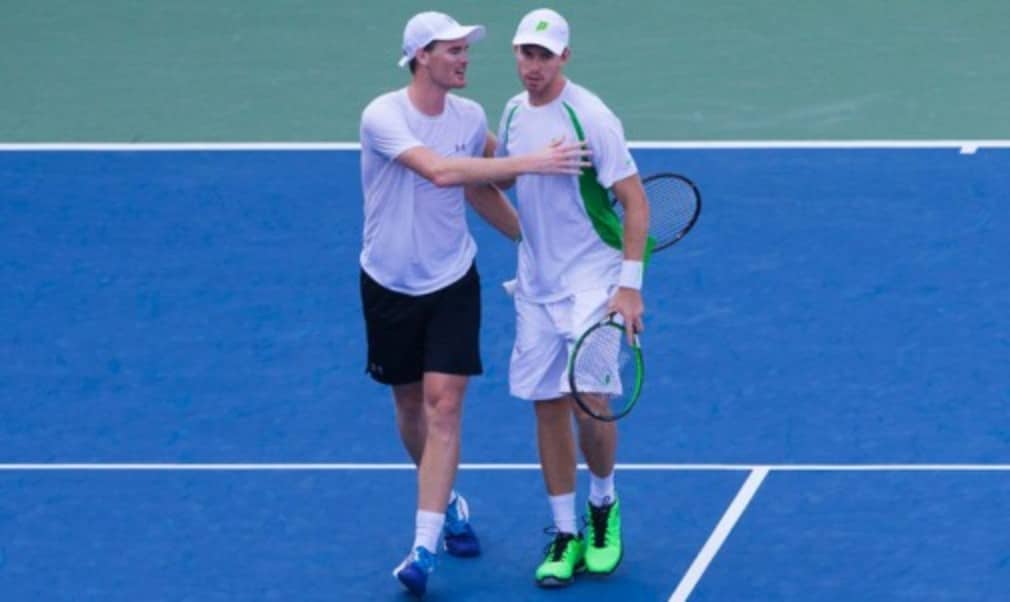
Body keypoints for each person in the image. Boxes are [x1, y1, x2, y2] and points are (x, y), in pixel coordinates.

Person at [358, 10, 591, 597]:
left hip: (452, 283)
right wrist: (530, 162)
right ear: (421, 58)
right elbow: (440, 171)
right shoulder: (383, 116)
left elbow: (487, 184)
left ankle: (423, 547)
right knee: (411, 409)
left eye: (466, 50)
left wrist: (534, 240)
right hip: (387, 285)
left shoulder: (470, 118)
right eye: (453, 50)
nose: (464, 59)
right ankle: (451, 503)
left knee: (443, 408)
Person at [494, 8, 650, 588]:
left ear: (564, 57)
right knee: (546, 404)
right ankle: (564, 533)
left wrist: (628, 286)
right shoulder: (511, 111)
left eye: (543, 56)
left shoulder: (591, 118)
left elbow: (635, 202)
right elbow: (505, 177)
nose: (531, 66)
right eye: (524, 54)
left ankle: (603, 507)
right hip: (535, 285)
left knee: (591, 399)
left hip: (592, 280)